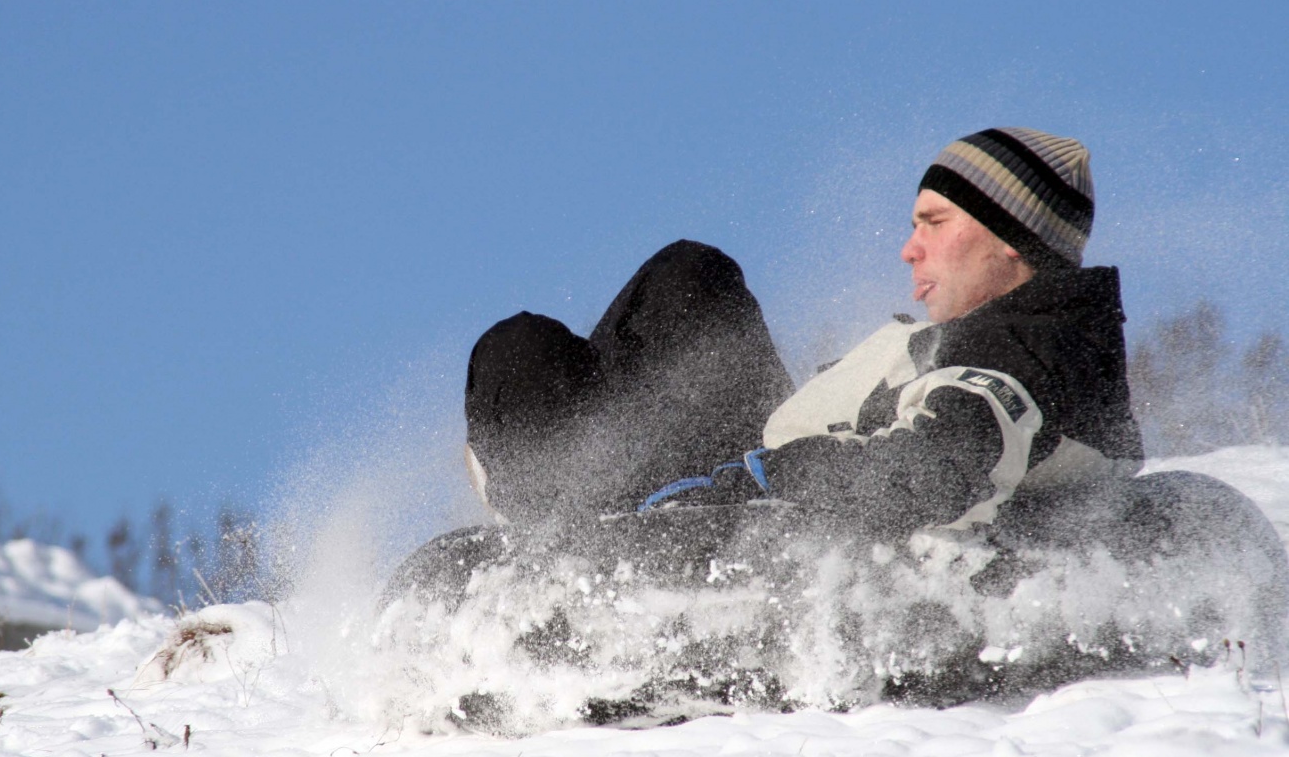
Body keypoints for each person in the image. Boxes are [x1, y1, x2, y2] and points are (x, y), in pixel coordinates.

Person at [463, 127, 1143, 536]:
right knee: (689, 274)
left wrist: (749, 482)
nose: (909, 249)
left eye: (933, 224)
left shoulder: (1023, 350)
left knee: (518, 353)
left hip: (712, 510)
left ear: (1011, 238)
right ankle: (557, 481)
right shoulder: (1017, 336)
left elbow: (941, 461)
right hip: (733, 467)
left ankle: (543, 520)